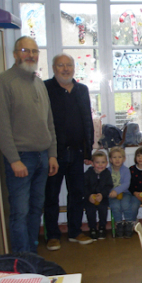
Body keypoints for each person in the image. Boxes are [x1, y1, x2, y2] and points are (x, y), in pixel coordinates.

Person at [0, 36, 59, 253]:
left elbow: (49, 122)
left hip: (42, 157)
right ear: (15, 54)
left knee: (36, 210)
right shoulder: (3, 82)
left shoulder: (38, 83)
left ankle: (31, 257)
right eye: (25, 50)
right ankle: (22, 260)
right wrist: (14, 159)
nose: (31, 55)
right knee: (20, 212)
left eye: (34, 51)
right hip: (21, 159)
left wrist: (52, 154)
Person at [43, 53, 95, 250]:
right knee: (51, 195)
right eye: (60, 65)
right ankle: (52, 235)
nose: (65, 69)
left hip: (77, 152)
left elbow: (87, 120)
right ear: (53, 68)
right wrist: (49, 153)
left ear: (74, 68)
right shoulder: (45, 88)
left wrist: (88, 151)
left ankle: (75, 231)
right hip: (54, 153)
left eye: (69, 65)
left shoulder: (82, 90)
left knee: (77, 194)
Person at [83, 150, 113, 241]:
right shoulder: (88, 173)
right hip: (89, 198)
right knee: (90, 210)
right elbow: (84, 186)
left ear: (106, 163)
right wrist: (89, 196)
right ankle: (92, 228)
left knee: (103, 209)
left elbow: (109, 186)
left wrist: (102, 194)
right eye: (97, 162)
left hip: (102, 197)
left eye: (103, 162)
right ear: (92, 163)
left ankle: (102, 227)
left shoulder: (107, 173)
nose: (100, 165)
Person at [107, 147, 133, 238]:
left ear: (124, 159)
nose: (117, 159)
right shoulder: (107, 171)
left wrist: (116, 190)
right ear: (110, 159)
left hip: (125, 193)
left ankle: (129, 223)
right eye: (114, 157)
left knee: (125, 205)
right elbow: (106, 184)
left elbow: (126, 184)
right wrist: (112, 192)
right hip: (112, 194)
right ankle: (119, 224)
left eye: (119, 157)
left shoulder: (126, 170)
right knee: (115, 206)